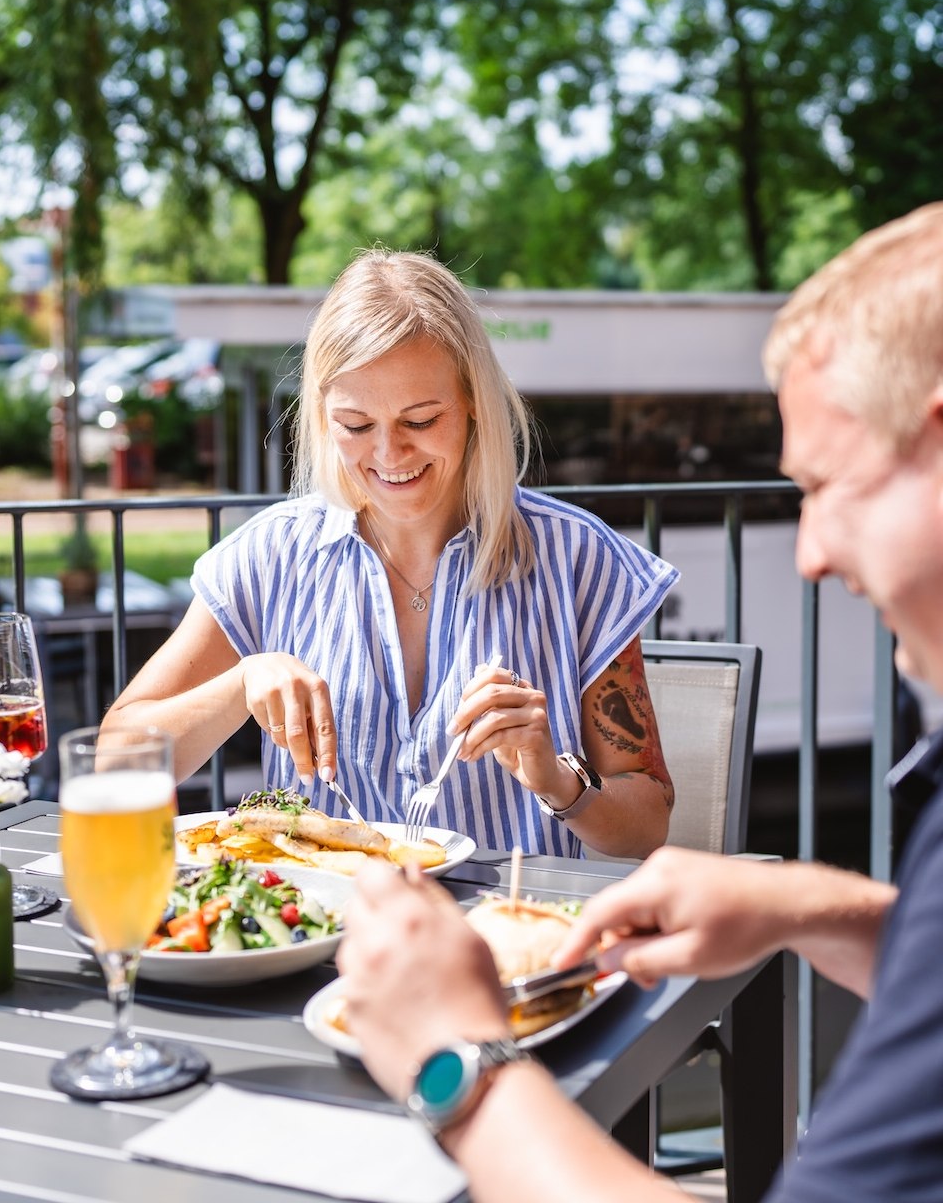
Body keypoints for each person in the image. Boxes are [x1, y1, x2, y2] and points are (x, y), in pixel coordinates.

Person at [338, 201, 943, 1202]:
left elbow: (638, 807)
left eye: (826, 484)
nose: (809, 552)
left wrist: (462, 1066)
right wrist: (805, 903)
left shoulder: (570, 555)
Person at [102, 249, 678, 858]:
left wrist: (559, 783)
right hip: (323, 939)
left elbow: (648, 824)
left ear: (473, 402)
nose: (389, 454)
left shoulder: (576, 557)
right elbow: (113, 764)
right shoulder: (271, 555)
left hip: (506, 938)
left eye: (421, 419)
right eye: (354, 425)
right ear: (323, 420)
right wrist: (238, 683)